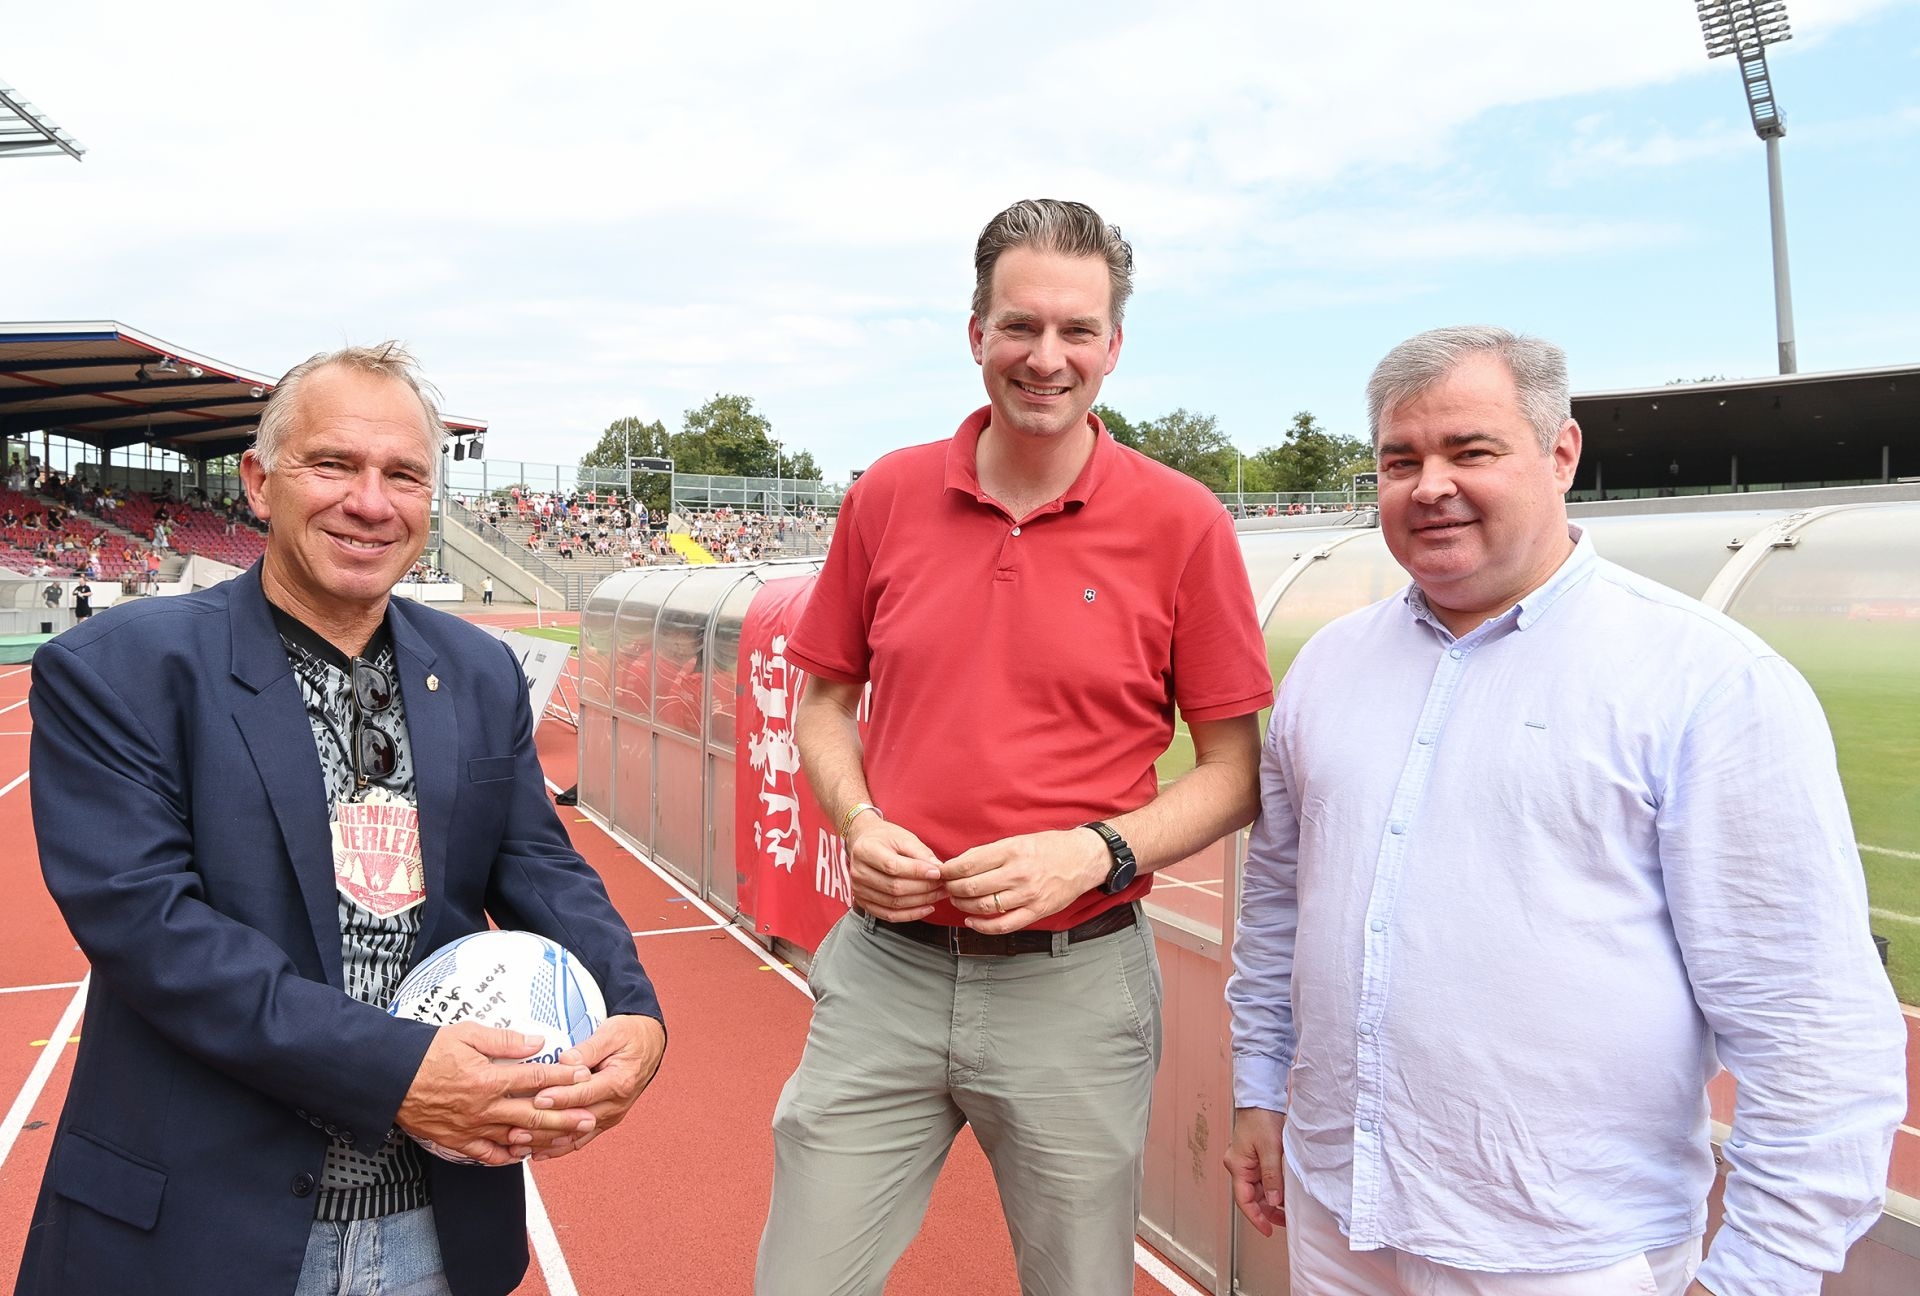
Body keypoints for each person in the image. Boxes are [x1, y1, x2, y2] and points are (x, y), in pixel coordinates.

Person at [1224, 325, 1906, 1296]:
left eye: (1470, 451)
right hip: (1340, 1214)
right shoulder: (1329, 666)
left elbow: (1813, 1027)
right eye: (1400, 460)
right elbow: (1278, 907)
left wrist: (1757, 1277)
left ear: (1560, 453)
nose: (1430, 486)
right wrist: (1258, 1088)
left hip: (1569, 1252)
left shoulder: (1710, 682)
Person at [19, 343, 669, 1296]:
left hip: (434, 1233)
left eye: (403, 474)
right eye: (333, 464)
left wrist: (635, 1012)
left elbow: (539, 863)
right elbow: (151, 930)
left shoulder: (479, 672)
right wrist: (398, 1072)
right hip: (199, 1230)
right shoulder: (120, 671)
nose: (371, 503)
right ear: (258, 483)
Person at [756, 199, 1272, 1295]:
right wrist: (858, 821)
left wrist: (1095, 852)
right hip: (886, 969)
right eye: (1021, 326)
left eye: (1077, 330)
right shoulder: (887, 495)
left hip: (1074, 985)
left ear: (1113, 346)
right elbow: (825, 703)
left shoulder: (1184, 523)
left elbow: (1236, 772)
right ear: (976, 331)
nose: (1047, 357)